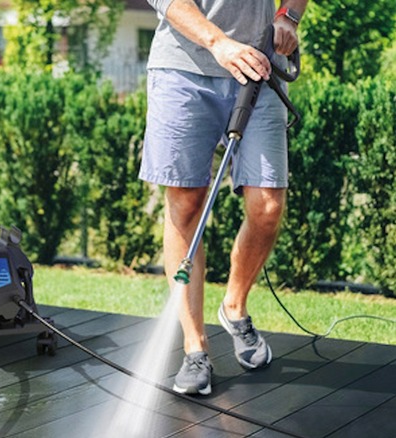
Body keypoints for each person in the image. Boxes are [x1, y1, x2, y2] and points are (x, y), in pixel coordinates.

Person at [139, 0, 308, 395]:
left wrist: (290, 16)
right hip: (184, 67)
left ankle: (234, 307)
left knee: (267, 206)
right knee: (186, 203)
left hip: (258, 67)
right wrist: (218, 42)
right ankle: (194, 347)